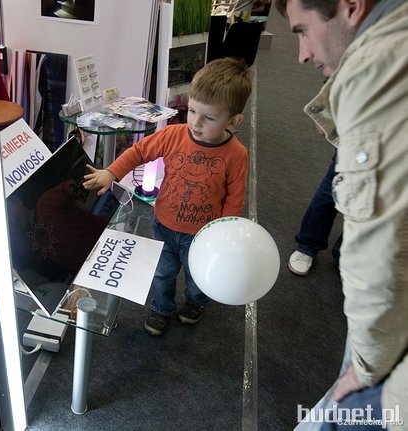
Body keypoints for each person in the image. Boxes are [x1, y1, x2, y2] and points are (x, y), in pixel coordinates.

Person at [275, 0, 408, 429]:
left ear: (352, 7)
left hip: (391, 346)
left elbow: (379, 250)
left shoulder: (373, 70)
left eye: (302, 31)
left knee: (330, 417)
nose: (303, 53)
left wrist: (366, 369)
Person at [83, 57, 252, 336]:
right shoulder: (174, 134)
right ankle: (161, 307)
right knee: (163, 272)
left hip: (204, 235)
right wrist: (111, 173)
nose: (196, 123)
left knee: (198, 276)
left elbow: (235, 197)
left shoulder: (236, 154)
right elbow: (138, 152)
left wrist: (224, 234)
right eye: (193, 111)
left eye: (208, 118)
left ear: (233, 121)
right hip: (164, 224)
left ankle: (197, 303)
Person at [288, 150, 342, 276]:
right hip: (358, 138)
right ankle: (308, 245)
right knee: (332, 188)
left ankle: (347, 255)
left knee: (376, 200)